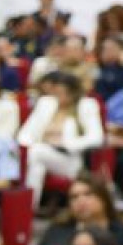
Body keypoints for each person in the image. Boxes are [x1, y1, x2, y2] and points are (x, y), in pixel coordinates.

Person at [18, 70, 105, 207]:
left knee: (36, 154)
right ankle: (30, 207)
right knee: (37, 164)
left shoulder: (86, 105)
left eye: (62, 93)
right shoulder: (46, 103)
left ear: (72, 93)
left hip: (70, 158)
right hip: (42, 152)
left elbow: (97, 137)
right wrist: (35, 143)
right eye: (56, 92)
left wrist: (68, 144)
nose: (57, 97)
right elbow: (25, 133)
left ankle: (26, 207)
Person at [36, 174, 123, 245]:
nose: (80, 201)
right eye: (74, 197)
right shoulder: (57, 231)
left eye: (88, 194)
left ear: (103, 199)